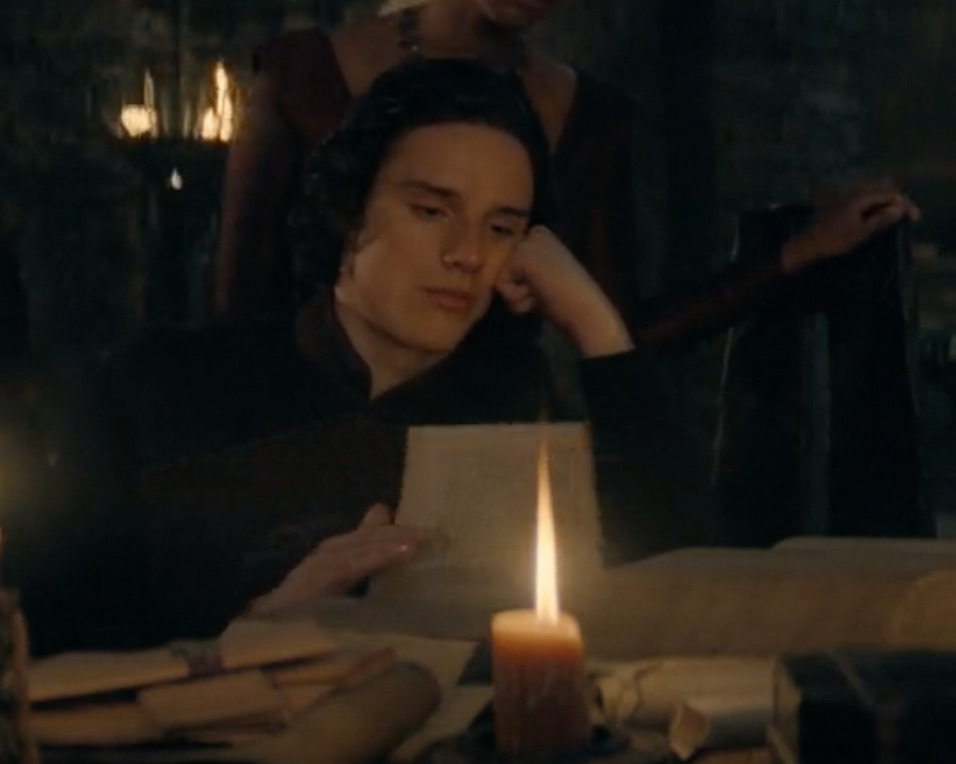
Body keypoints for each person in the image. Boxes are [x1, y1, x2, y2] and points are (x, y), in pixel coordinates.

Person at [9, 59, 918, 657]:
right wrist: (256, 634)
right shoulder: (150, 385)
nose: (465, 255)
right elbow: (51, 652)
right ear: (349, 211)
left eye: (501, 227)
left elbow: (682, 593)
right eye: (431, 210)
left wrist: (595, 326)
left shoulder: (513, 405)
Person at [214, 0, 643, 323]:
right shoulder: (303, 76)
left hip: (496, 402)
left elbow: (612, 315)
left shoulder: (589, 115)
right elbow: (240, 299)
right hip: (311, 396)